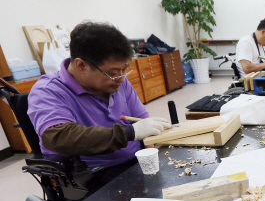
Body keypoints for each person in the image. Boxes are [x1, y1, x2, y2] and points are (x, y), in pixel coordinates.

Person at [28, 21, 171, 168]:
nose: (121, 78)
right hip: (92, 175)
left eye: (124, 69)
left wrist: (153, 158)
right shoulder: (48, 91)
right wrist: (129, 133)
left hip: (136, 163)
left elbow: (142, 121)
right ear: (81, 65)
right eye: (112, 73)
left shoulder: (119, 81)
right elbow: (59, 137)